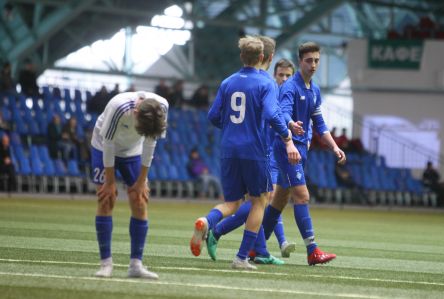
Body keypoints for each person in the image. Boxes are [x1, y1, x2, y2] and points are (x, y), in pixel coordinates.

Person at [189, 35, 299, 270]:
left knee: (231, 202)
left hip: (228, 149)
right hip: (254, 150)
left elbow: (212, 116)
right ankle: (240, 258)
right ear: (262, 57)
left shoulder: (228, 82)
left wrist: (231, 129)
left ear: (241, 56)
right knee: (260, 201)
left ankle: (206, 221)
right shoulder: (265, 83)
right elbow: (271, 114)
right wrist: (287, 136)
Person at [262, 41, 346, 266]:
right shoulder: (291, 87)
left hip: (300, 149)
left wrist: (334, 146)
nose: (314, 65)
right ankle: (312, 250)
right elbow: (283, 115)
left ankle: (256, 247)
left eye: (317, 60)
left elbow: (319, 122)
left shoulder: (314, 90)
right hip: (288, 148)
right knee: (302, 196)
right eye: (309, 60)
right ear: (301, 61)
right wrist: (290, 129)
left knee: (279, 200)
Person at [90, 91, 168, 279]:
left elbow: (150, 144)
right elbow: (108, 144)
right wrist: (109, 182)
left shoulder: (161, 107)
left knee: (139, 200)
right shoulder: (119, 107)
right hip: (103, 146)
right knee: (106, 199)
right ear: (135, 113)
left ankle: (135, 265)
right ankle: (106, 264)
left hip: (133, 150)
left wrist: (141, 182)